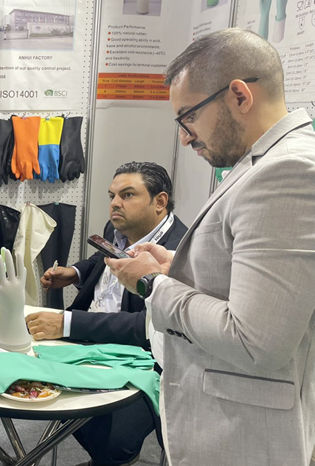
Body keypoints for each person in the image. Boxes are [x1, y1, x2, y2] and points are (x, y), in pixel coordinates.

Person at [107, 29, 315, 466]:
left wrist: (152, 285)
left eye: (189, 117)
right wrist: (175, 267)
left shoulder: (288, 172)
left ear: (239, 95)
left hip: (243, 437)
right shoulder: (263, 163)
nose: (185, 138)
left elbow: (256, 341)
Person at [27, 162, 187, 466]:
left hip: (143, 358)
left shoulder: (182, 251)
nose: (115, 203)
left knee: (113, 440)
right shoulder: (117, 227)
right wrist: (75, 273)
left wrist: (67, 323)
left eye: (127, 195)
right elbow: (103, 257)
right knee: (33, 384)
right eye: (112, 195)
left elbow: (149, 325)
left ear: (160, 201)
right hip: (87, 341)